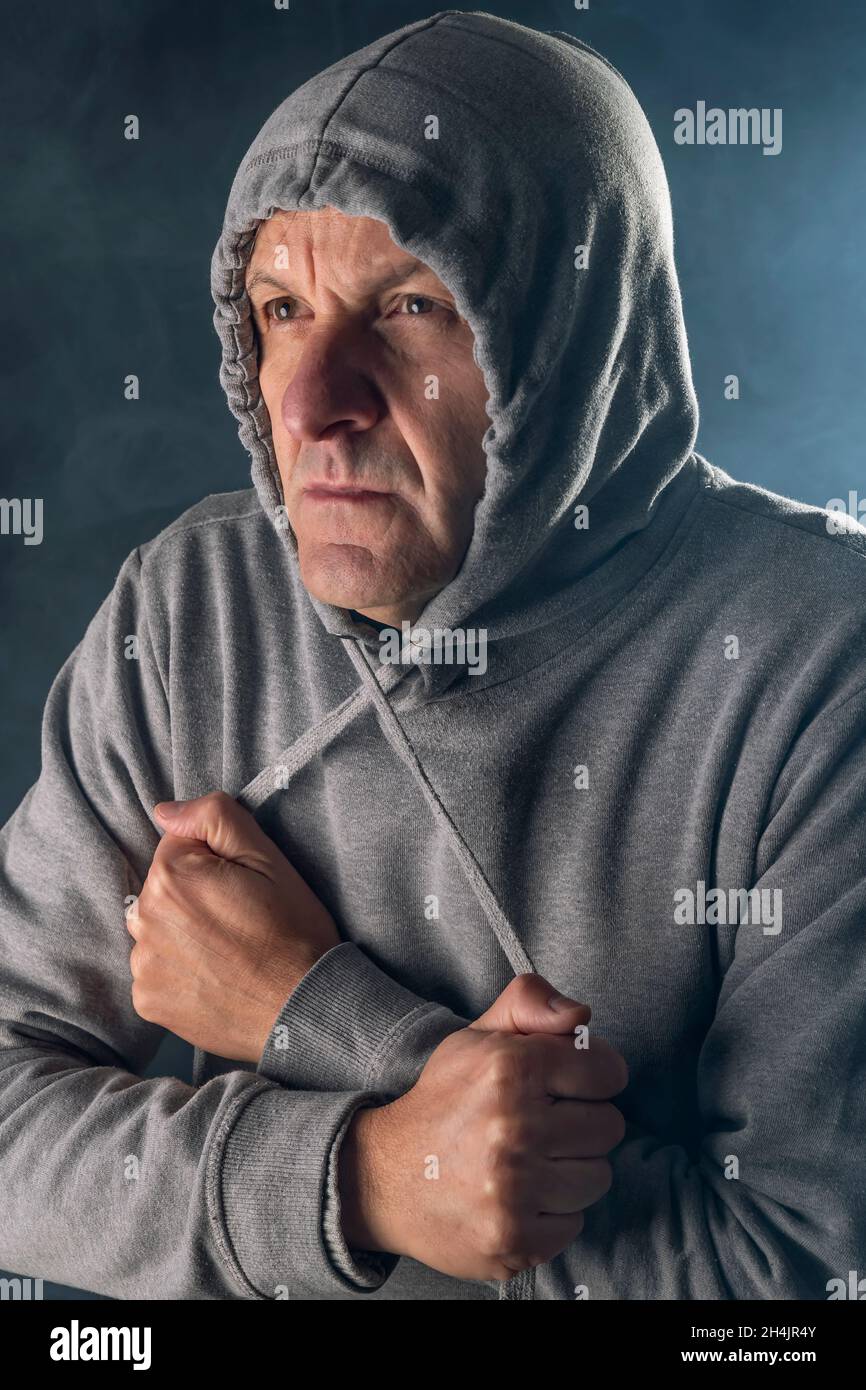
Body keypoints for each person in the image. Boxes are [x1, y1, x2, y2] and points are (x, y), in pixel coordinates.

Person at [1, 10, 864, 1303]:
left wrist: (313, 1013)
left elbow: (789, 1270)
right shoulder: (192, 612)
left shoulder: (819, 659)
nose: (308, 403)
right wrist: (361, 1177)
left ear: (573, 331)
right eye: (281, 311)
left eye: (408, 306)